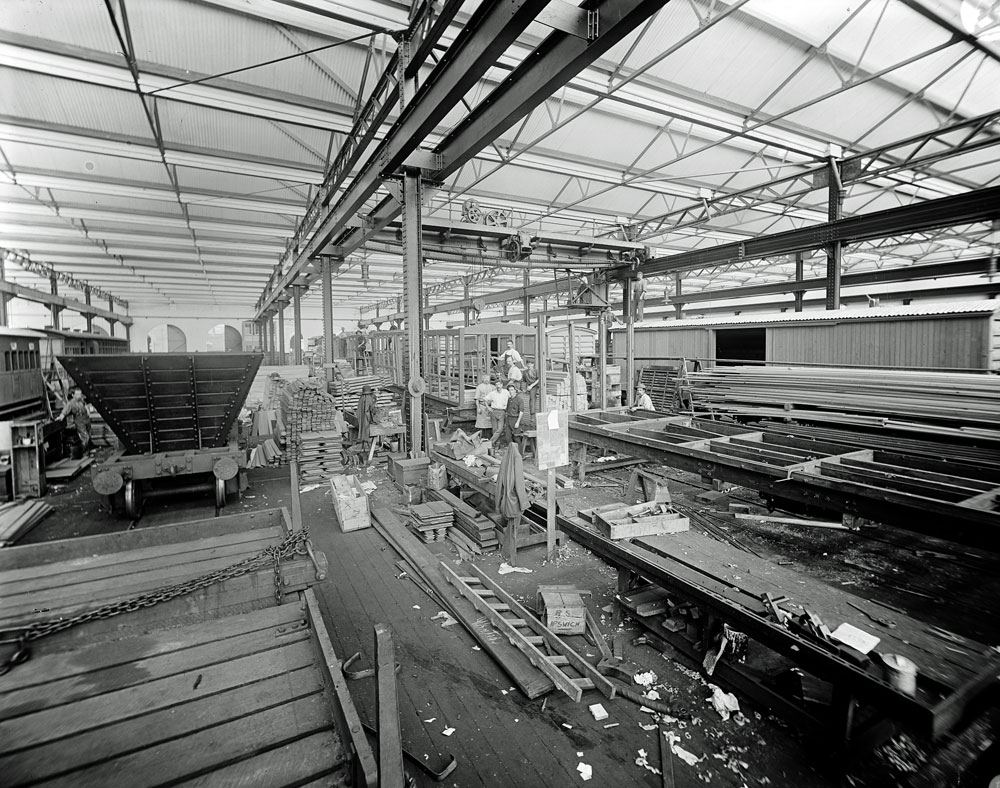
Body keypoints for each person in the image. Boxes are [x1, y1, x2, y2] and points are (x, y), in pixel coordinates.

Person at [60, 387, 92, 456]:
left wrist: (88, 411)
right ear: (73, 395)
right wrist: (62, 415)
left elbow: (85, 405)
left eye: (80, 394)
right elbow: (65, 410)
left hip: (86, 419)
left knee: (89, 435)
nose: (79, 396)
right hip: (79, 420)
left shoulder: (82, 400)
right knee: (85, 437)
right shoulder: (71, 403)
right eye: (77, 394)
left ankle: (87, 451)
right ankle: (83, 453)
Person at [483, 379, 510, 446]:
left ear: (502, 385)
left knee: (500, 429)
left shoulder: (506, 392)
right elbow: (485, 399)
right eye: (496, 385)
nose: (498, 386)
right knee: (494, 429)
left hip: (502, 411)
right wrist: (488, 407)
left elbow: (511, 398)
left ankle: (490, 443)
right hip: (494, 411)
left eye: (499, 384)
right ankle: (497, 444)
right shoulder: (493, 393)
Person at [500, 381, 525, 450]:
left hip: (515, 419)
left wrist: (517, 422)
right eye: (509, 390)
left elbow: (521, 411)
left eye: (512, 390)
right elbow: (506, 410)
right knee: (508, 437)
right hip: (509, 419)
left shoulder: (519, 400)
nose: (510, 391)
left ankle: (520, 454)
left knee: (516, 437)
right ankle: (512, 452)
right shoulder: (509, 399)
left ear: (515, 391)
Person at [356, 384, 378, 454]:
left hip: (361, 417)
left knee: (363, 430)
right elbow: (369, 410)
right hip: (366, 418)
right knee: (366, 431)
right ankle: (368, 448)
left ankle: (365, 445)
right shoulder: (368, 398)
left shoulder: (362, 398)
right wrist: (372, 419)